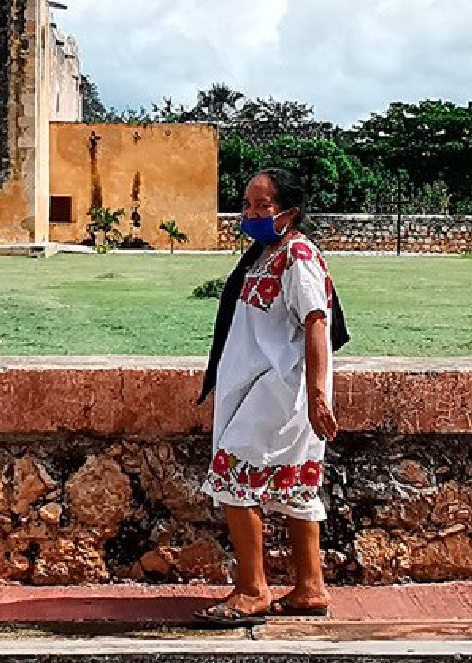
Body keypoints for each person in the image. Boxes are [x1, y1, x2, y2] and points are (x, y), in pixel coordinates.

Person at [194, 168, 339, 626]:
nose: (250, 214)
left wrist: (318, 397)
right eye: (247, 205)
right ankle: (310, 587)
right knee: (294, 486)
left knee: (235, 475)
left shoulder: (297, 255)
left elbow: (317, 321)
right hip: (260, 386)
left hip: (280, 387)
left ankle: (253, 589)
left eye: (262, 206)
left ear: (288, 212)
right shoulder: (263, 254)